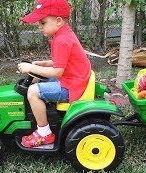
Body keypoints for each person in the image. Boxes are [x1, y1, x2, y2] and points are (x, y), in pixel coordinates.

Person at [18, 0, 91, 148]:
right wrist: (44, 63)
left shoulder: (62, 40)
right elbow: (64, 61)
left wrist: (30, 68)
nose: (39, 26)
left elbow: (58, 72)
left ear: (58, 21)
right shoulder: (64, 34)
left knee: (32, 92)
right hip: (74, 78)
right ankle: (43, 116)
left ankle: (44, 133)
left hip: (71, 85)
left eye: (43, 22)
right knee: (39, 82)